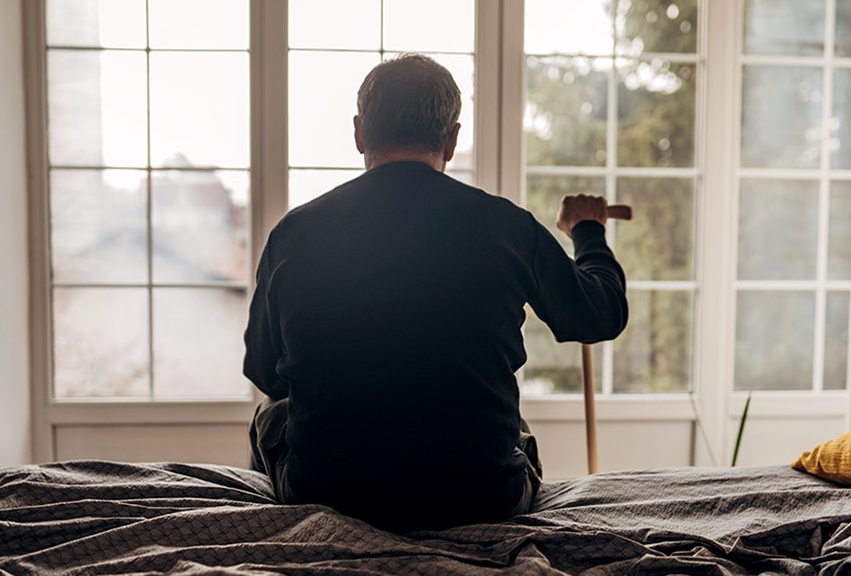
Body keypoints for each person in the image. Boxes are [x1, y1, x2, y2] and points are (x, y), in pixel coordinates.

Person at [243, 53, 628, 533]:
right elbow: (600, 315)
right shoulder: (507, 226)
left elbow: (263, 370)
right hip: (483, 497)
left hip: (330, 493)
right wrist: (588, 231)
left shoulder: (294, 233)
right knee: (515, 431)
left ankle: (292, 537)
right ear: (452, 138)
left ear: (360, 132)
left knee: (270, 414)